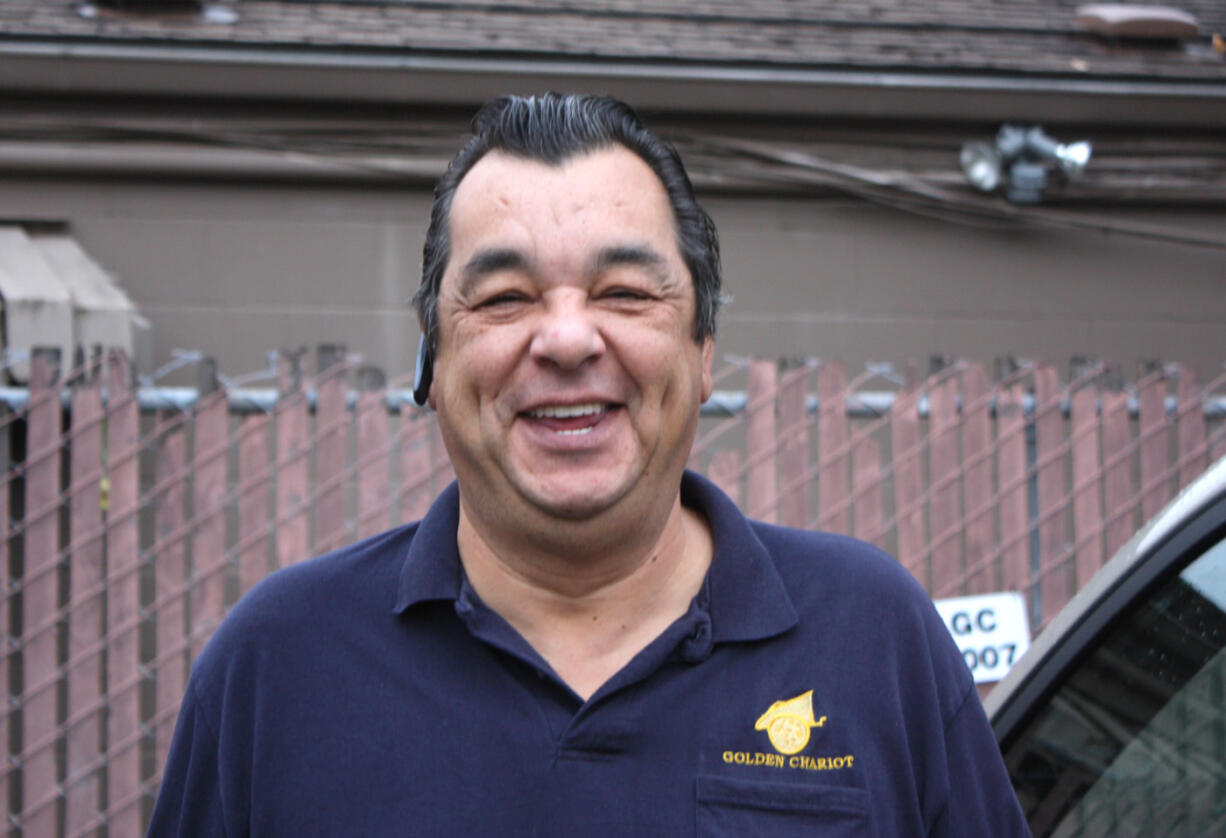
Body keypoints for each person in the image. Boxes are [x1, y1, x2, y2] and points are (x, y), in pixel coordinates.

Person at [149, 93, 1032, 837]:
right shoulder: (278, 666)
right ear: (433, 361)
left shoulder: (874, 639)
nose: (568, 339)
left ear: (702, 350)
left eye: (624, 294)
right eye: (504, 298)